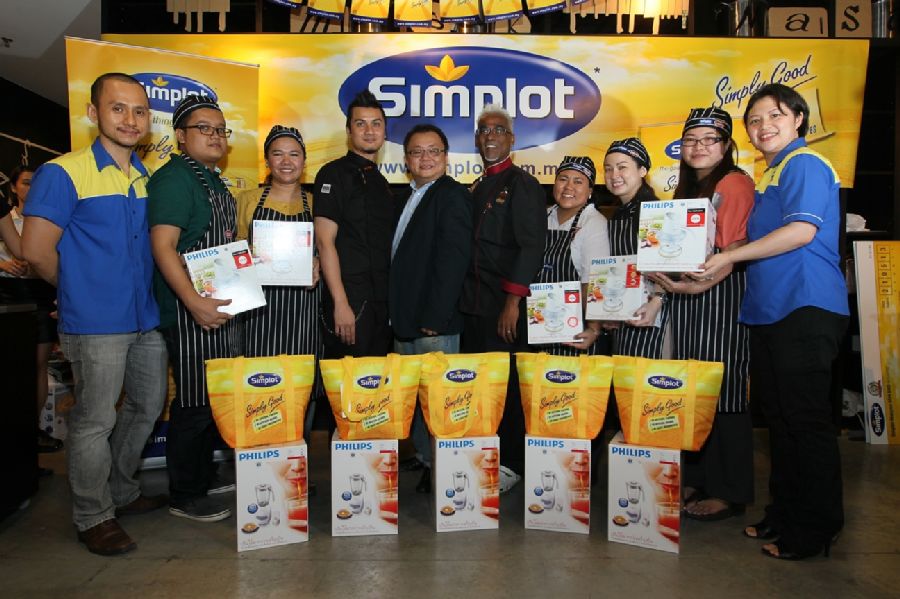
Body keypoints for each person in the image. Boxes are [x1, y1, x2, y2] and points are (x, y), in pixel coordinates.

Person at [697, 83, 849, 560]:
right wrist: (709, 267)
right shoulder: (770, 175)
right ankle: (783, 515)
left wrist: (728, 257)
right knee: (780, 423)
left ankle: (814, 529)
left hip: (804, 305)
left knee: (806, 423)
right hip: (769, 310)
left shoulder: (805, 164)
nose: (764, 126)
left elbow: (801, 231)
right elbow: (744, 247)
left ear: (798, 120)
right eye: (756, 120)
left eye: (775, 116)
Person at [21, 73, 168, 555]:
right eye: (118, 108)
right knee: (94, 420)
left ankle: (121, 491)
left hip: (145, 317)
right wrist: (78, 290)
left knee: (146, 407)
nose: (130, 119)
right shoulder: (63, 172)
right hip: (95, 322)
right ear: (93, 113)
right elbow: (37, 250)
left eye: (139, 111)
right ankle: (92, 514)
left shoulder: (144, 176)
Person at [647, 107, 755, 521]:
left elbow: (731, 250)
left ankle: (730, 491)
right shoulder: (690, 189)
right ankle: (701, 476)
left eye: (710, 139)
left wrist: (698, 284)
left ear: (727, 146)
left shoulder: (734, 183)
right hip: (689, 295)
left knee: (723, 392)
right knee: (694, 392)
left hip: (721, 295)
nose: (698, 147)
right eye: (691, 140)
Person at [148, 94, 239, 522]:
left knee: (211, 395)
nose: (215, 136)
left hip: (216, 301)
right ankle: (185, 493)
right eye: (205, 128)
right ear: (181, 137)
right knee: (193, 401)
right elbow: (163, 247)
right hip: (189, 310)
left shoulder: (213, 179)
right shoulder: (174, 179)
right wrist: (194, 302)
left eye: (220, 129)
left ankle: (201, 475)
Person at [459, 104, 547, 491]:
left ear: (511, 139)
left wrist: (512, 303)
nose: (490, 136)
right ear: (477, 139)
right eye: (483, 130)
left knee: (510, 387)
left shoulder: (523, 185)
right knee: (483, 386)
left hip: (504, 309)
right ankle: (486, 454)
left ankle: (512, 463)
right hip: (474, 308)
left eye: (498, 130)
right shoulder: (476, 187)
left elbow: (531, 247)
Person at [389, 124, 472, 493]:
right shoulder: (411, 196)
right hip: (408, 320)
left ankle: (444, 473)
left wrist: (434, 318)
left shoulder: (452, 196)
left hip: (432, 323)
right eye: (417, 152)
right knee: (419, 403)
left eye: (433, 151)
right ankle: (428, 464)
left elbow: (453, 261)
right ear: (406, 159)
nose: (425, 158)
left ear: (446, 157)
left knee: (438, 403)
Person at [314, 90, 394, 360]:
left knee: (374, 394)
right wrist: (340, 303)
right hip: (349, 303)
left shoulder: (382, 182)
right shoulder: (333, 174)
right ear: (349, 130)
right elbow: (324, 242)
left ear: (384, 131)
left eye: (376, 124)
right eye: (360, 124)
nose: (369, 131)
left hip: (381, 304)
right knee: (346, 391)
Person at [0, 166, 62, 453]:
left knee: (34, 367)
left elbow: (29, 252)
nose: (31, 187)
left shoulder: (51, 218)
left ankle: (27, 436)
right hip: (7, 293)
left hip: (37, 294)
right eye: (25, 183)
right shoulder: (8, 214)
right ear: (13, 187)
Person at [531, 155, 609, 356]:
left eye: (578, 181)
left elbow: (593, 282)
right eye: (563, 178)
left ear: (590, 190)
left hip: (575, 328)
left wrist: (594, 328)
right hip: (539, 322)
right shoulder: (542, 216)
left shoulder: (594, 223)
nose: (568, 187)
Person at [601, 138, 669, 357]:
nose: (614, 175)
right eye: (608, 169)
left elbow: (667, 262)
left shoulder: (655, 211)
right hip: (625, 312)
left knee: (649, 381)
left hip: (652, 313)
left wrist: (657, 301)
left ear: (642, 170)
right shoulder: (618, 213)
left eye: (622, 167)